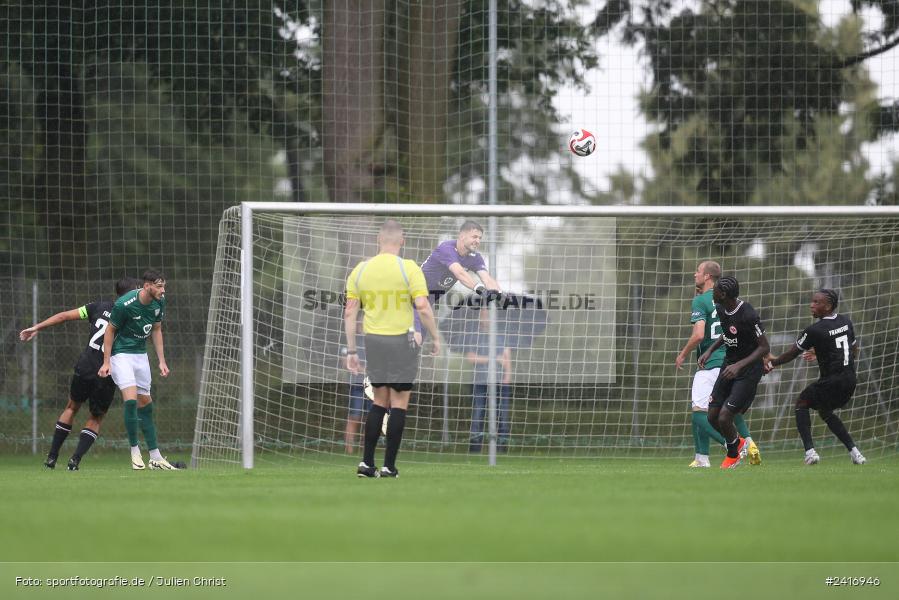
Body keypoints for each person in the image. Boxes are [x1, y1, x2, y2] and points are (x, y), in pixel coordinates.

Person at [344, 220, 440, 478]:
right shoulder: (408, 267)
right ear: (402, 240)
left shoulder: (361, 270)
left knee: (378, 401)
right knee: (398, 404)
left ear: (378, 240)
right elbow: (422, 305)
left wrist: (352, 351)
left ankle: (366, 464)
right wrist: (435, 336)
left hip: (373, 341)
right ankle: (389, 467)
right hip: (402, 341)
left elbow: (350, 312)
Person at [19, 277, 141, 470]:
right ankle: (75, 460)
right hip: (107, 371)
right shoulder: (134, 316)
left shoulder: (98, 307)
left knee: (71, 407)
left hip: (85, 366)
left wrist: (37, 327)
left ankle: (51, 457)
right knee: (96, 417)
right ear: (132, 293)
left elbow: (63, 317)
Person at [765, 289, 866, 466]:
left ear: (828, 306)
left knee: (801, 403)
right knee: (825, 412)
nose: (811, 305)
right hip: (850, 380)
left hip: (832, 381)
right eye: (812, 301)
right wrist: (821, 354)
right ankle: (855, 453)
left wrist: (773, 363)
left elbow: (791, 354)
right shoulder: (845, 321)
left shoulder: (814, 330)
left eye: (816, 302)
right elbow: (853, 350)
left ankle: (810, 453)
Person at [675, 261, 761, 467]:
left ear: (707, 277)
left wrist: (683, 354)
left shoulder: (701, 301)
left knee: (698, 412)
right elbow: (746, 331)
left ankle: (734, 445)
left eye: (698, 271)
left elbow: (699, 334)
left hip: (711, 363)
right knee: (728, 409)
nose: (694, 274)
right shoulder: (729, 300)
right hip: (731, 361)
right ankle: (705, 456)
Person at [98, 269, 178, 470]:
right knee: (131, 400)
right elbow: (110, 331)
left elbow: (157, 330)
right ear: (147, 286)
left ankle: (155, 457)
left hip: (140, 356)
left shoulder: (159, 303)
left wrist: (161, 361)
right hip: (121, 355)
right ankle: (135, 451)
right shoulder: (124, 304)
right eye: (159, 286)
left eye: (164, 285)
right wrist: (106, 362)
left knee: (146, 404)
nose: (163, 290)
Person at [698, 276, 770, 469]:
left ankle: (733, 455)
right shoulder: (721, 309)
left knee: (724, 417)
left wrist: (740, 365)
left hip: (747, 370)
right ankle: (738, 444)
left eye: (714, 290)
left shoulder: (748, 313)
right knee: (712, 416)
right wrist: (710, 350)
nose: (711, 292)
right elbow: (728, 334)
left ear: (722, 294)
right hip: (728, 365)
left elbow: (764, 347)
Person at [465, 308, 512, 453]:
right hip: (480, 382)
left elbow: (507, 360)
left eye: (487, 316)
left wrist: (507, 378)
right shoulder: (474, 337)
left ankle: (502, 448)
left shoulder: (502, 336)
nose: (485, 319)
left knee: (502, 416)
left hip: (500, 383)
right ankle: (475, 448)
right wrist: (493, 359)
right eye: (483, 316)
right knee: (478, 414)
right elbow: (471, 358)